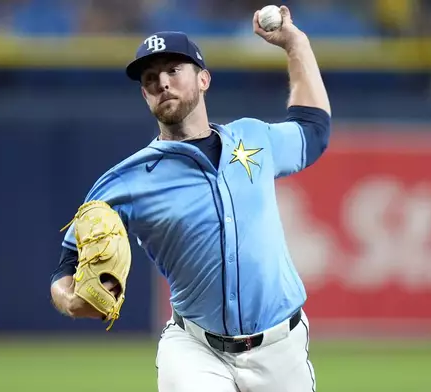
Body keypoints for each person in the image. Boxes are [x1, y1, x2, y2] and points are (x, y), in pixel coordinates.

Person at [50, 6, 331, 391]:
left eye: (173, 71)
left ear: (203, 79)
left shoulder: (253, 138)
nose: (162, 82)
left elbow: (313, 128)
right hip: (196, 349)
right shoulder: (125, 181)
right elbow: (65, 266)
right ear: (144, 95)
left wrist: (296, 44)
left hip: (282, 347)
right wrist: (69, 299)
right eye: (150, 79)